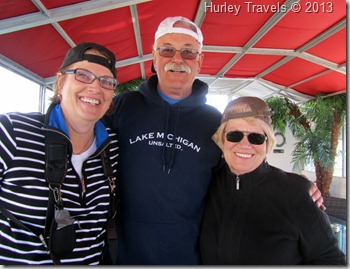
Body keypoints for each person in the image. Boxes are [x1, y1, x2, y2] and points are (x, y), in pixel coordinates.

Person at [103, 16, 324, 265]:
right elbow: (83, 146)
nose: (177, 59)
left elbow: (243, 166)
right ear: (154, 57)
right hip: (126, 254)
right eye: (167, 50)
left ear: (199, 61)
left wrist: (291, 184)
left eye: (188, 52)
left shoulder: (215, 122)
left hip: (193, 256)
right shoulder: (123, 107)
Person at [0, 42, 119, 265]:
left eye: (106, 81)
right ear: (61, 81)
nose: (95, 88)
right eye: (83, 75)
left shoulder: (111, 147)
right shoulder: (12, 131)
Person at [199, 96, 346, 265]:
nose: (245, 145)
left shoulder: (296, 193)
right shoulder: (206, 183)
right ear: (222, 139)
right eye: (234, 135)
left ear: (267, 143)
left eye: (256, 138)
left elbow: (331, 260)